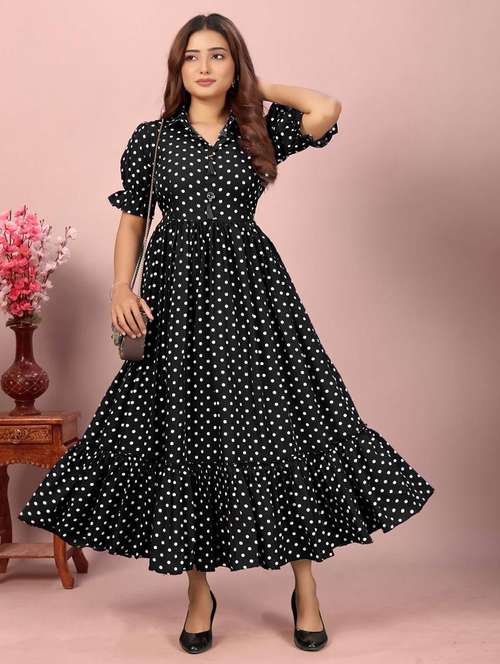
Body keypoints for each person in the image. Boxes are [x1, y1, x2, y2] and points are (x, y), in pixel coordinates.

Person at [18, 13, 434, 654]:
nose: (204, 67)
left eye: (218, 55)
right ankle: (198, 593)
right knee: (183, 431)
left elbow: (326, 108)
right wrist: (121, 288)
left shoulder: (257, 128)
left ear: (235, 65)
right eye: (192, 57)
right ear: (177, 68)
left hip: (252, 294)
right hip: (176, 298)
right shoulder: (153, 139)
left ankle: (306, 587)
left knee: (283, 425)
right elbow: (132, 222)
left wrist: (255, 89)